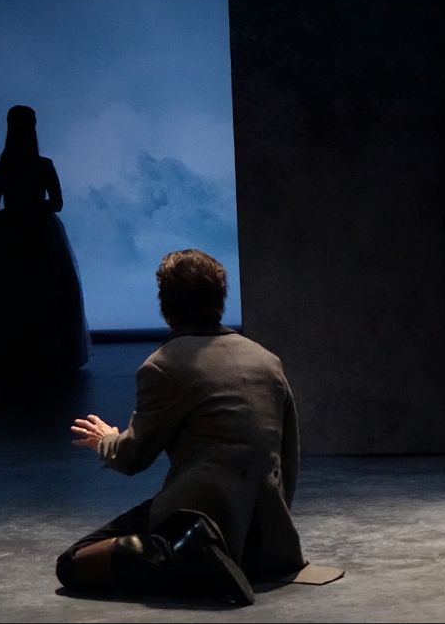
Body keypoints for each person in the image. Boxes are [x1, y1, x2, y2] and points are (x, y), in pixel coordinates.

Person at [56, 249, 306, 605]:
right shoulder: (266, 360)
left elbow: (132, 458)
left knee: (74, 562)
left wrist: (106, 440)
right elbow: (288, 455)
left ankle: (187, 554)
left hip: (206, 518)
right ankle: (204, 554)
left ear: (165, 302)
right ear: (220, 297)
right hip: (267, 538)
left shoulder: (164, 365)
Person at [0, 105, 89, 376]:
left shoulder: (4, 167)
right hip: (35, 231)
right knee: (38, 295)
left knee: (19, 297)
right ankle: (43, 354)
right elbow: (56, 204)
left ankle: (15, 355)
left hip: (16, 233)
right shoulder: (40, 165)